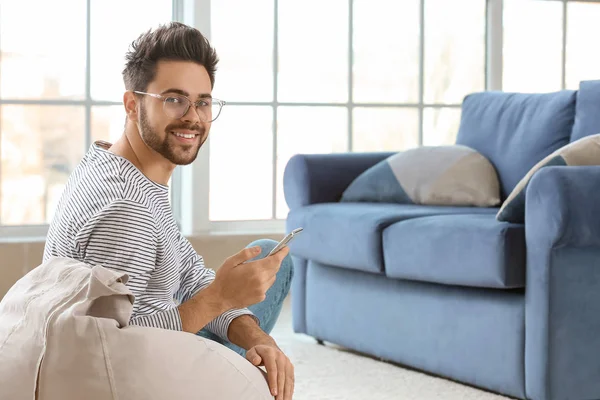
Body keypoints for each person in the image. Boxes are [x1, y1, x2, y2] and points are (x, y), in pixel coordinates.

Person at [43, 22, 295, 400]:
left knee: (267, 259)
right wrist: (219, 299)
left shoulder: (117, 164)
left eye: (203, 101)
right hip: (143, 374)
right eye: (174, 99)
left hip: (166, 334)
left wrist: (258, 337)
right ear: (133, 104)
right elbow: (108, 349)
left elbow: (188, 271)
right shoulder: (127, 210)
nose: (193, 117)